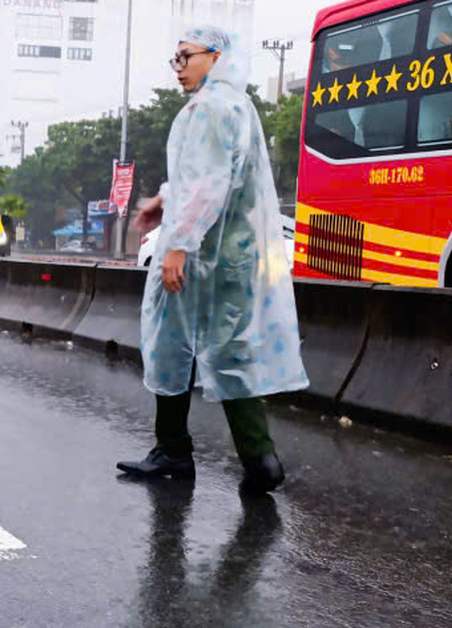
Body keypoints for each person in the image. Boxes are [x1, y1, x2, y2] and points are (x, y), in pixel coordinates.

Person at [117, 26, 308, 494]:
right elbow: (209, 175)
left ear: (216, 55)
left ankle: (174, 451)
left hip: (202, 252)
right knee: (230, 349)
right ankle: (260, 458)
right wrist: (164, 201)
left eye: (185, 57)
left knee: (170, 343)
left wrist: (178, 244)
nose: (178, 68)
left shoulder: (207, 108)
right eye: (175, 59)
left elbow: (204, 182)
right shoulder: (238, 105)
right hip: (233, 254)